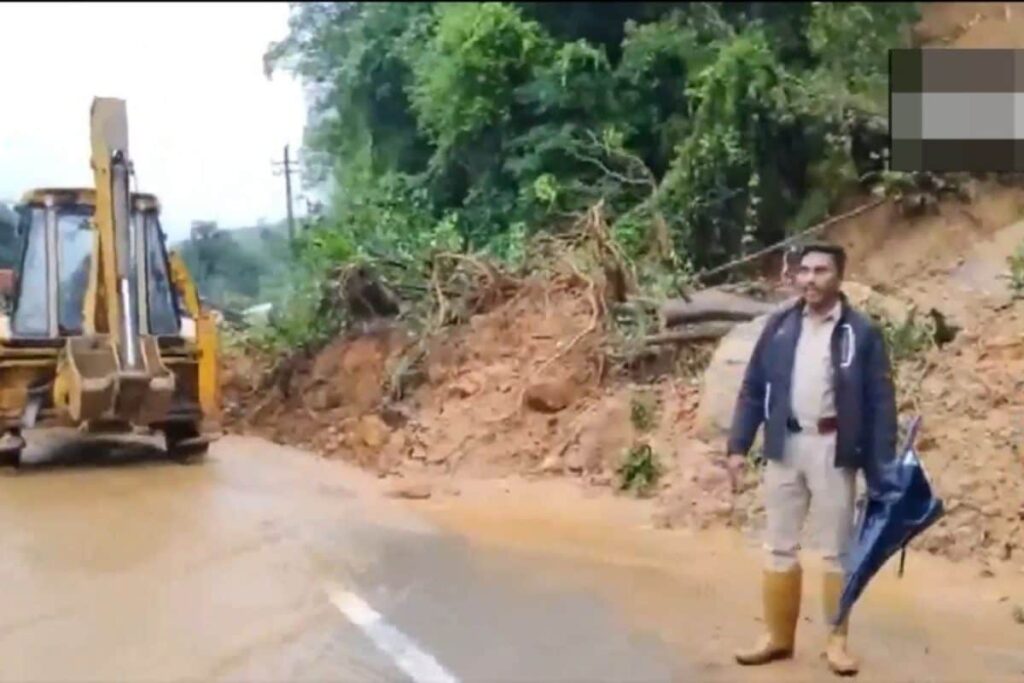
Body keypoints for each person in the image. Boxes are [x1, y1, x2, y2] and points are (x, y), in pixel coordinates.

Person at [724, 242, 897, 677]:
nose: (810, 279)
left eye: (821, 271)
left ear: (839, 276)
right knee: (779, 543)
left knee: (837, 550)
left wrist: (882, 470)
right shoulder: (780, 326)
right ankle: (777, 636)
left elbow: (881, 404)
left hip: (833, 449)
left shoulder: (860, 332)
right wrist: (738, 446)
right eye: (804, 271)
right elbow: (753, 387)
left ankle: (837, 641)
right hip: (784, 446)